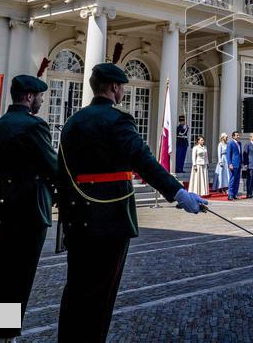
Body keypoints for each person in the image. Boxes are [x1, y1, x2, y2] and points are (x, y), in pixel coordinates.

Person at [57, 62, 208, 343]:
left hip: (78, 218)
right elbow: (144, 162)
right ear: (115, 87)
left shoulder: (72, 122)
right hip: (111, 218)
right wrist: (179, 193)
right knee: (101, 295)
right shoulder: (118, 120)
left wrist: (66, 216)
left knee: (76, 289)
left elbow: (62, 173)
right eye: (123, 86)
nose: (123, 91)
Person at [0, 72, 57, 343]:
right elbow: (52, 165)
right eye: (39, 96)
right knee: (20, 276)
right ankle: (8, 335)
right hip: (28, 210)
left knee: (1, 274)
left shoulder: (0, 124)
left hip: (1, 207)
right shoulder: (33, 125)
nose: (40, 101)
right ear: (29, 96)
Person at [242, 132, 253, 198]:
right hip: (250, 164)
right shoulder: (248, 145)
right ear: (250, 138)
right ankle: (248, 193)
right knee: (249, 179)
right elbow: (245, 155)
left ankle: (251, 193)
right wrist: (245, 164)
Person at [226, 131, 242, 200]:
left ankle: (235, 194)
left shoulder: (239, 143)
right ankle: (230, 195)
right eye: (237, 135)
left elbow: (240, 154)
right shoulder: (230, 143)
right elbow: (228, 154)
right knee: (232, 180)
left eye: (238, 135)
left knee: (237, 180)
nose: (238, 136)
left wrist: (242, 162)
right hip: (233, 164)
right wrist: (230, 164)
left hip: (239, 164)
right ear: (233, 136)